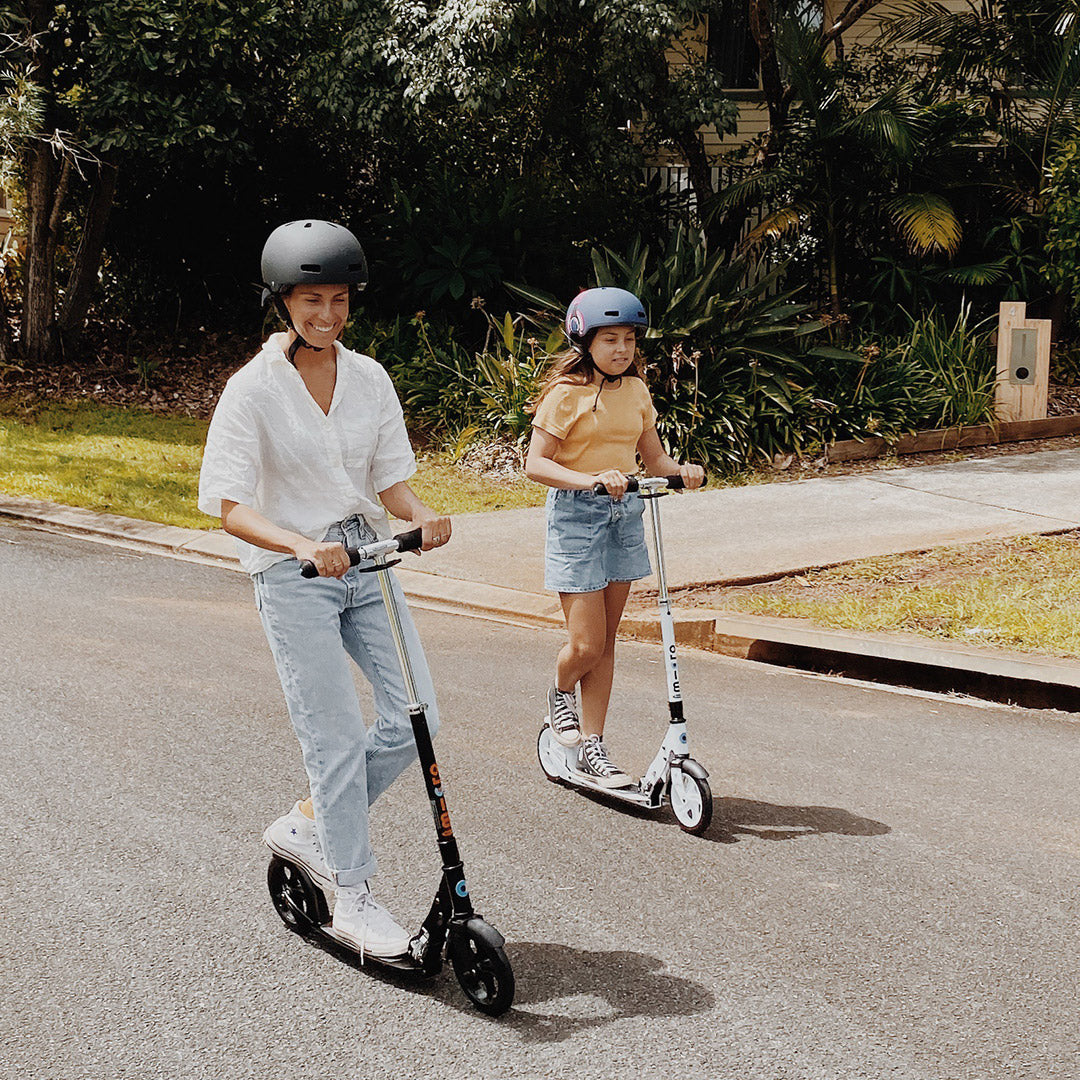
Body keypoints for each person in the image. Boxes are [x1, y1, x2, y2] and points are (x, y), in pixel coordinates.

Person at [198, 219, 451, 957]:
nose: (328, 314)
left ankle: (313, 819)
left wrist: (421, 513)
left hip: (366, 559)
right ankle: (354, 894)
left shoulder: (368, 376)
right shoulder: (251, 392)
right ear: (283, 300)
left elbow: (391, 482)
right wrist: (304, 543)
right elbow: (228, 504)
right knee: (334, 737)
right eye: (313, 299)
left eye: (339, 299)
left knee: (418, 715)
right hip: (294, 574)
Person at [524, 287, 704, 788]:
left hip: (624, 514)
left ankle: (592, 746)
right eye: (610, 340)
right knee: (585, 644)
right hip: (577, 516)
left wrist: (681, 471)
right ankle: (560, 693)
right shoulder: (566, 396)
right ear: (585, 342)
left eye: (628, 339)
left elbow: (655, 458)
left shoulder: (637, 392)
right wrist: (591, 480)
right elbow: (535, 464)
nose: (621, 349)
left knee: (606, 643)